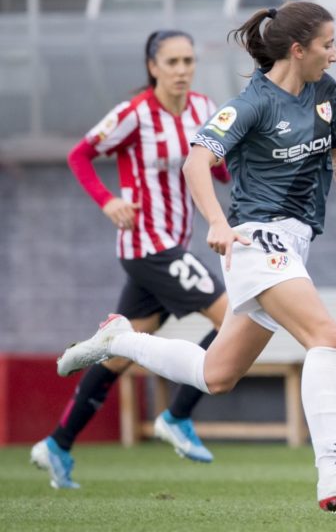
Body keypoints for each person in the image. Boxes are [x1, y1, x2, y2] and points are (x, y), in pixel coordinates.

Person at [55, 1, 336, 512]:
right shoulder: (251, 104)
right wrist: (217, 222)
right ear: (298, 50)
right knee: (327, 336)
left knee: (217, 375)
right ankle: (332, 470)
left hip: (294, 243)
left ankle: (121, 338)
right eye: (328, 45)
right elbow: (197, 162)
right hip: (256, 240)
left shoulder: (326, 92)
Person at [31, 30, 231, 490]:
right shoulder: (134, 114)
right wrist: (107, 201)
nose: (183, 69)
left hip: (173, 244)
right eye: (173, 62)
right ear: (152, 67)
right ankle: (178, 415)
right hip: (148, 245)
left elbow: (216, 167)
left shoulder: (204, 109)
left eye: (189, 60)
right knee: (235, 314)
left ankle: (57, 444)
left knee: (119, 352)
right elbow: (80, 154)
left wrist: (231, 166)